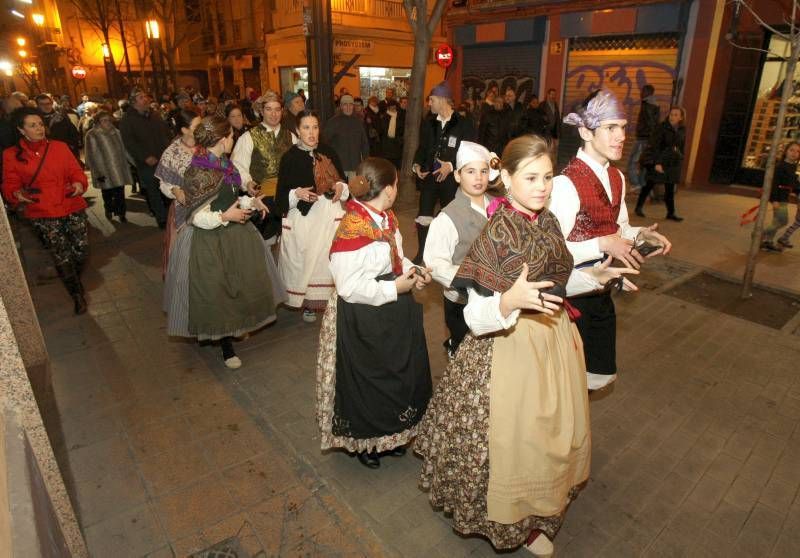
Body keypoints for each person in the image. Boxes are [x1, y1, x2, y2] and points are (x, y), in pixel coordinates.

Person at [416, 135, 638, 557]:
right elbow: (474, 317)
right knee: (515, 443)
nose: (542, 186)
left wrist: (595, 279)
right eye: (531, 177)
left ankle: (538, 515)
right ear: (508, 178)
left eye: (548, 177)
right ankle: (516, 525)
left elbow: (555, 283)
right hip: (508, 347)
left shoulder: (548, 221)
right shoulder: (498, 232)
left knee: (550, 437)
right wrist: (506, 300)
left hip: (553, 339)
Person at [316, 157, 433, 469]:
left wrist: (414, 269)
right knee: (368, 379)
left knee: (394, 374)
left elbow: (396, 257)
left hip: (390, 307)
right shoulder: (353, 228)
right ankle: (365, 444)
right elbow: (348, 287)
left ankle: (390, 436)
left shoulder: (385, 216)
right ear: (390, 189)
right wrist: (395, 288)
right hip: (362, 315)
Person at [552, 89, 672, 391]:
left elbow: (617, 227)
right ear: (585, 131)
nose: (621, 136)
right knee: (563, 385)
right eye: (610, 128)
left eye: (622, 126)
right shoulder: (565, 184)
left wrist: (639, 234)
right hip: (567, 300)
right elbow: (551, 253)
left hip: (602, 292)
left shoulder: (616, 177)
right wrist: (603, 245)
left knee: (597, 377)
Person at [169, 115, 281, 368]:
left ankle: (235, 326)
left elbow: (232, 197)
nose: (233, 139)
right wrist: (225, 216)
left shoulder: (225, 164)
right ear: (221, 140)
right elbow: (197, 217)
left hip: (235, 235)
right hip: (209, 240)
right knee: (217, 292)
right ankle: (226, 346)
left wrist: (252, 202)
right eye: (231, 135)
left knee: (237, 285)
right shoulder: (198, 171)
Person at [1, 107, 90, 314]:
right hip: (43, 210)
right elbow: (10, 182)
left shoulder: (59, 147)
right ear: (21, 130)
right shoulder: (11, 155)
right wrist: (16, 193)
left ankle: (73, 279)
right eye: (32, 125)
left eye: (40, 124)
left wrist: (78, 183)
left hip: (70, 204)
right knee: (61, 254)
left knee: (81, 251)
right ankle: (76, 294)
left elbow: (76, 171)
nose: (39, 128)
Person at [424, 141, 496, 358]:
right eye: (471, 171)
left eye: (484, 171)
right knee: (466, 356)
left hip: (496, 300)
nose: (478, 178)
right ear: (457, 175)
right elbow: (435, 264)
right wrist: (470, 279)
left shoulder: (499, 205)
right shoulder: (448, 216)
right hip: (461, 301)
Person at [277, 111, 347, 322]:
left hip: (329, 214)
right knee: (306, 261)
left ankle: (333, 304)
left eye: (315, 127)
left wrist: (339, 186)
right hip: (304, 217)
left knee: (328, 259)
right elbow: (281, 195)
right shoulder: (290, 157)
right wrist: (295, 193)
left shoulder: (329, 152)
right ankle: (309, 304)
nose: (311, 132)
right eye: (306, 128)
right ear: (298, 131)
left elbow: (343, 182)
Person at [412, 81, 476, 264]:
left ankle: (450, 255)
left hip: (452, 182)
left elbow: (470, 152)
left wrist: (451, 166)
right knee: (424, 215)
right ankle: (422, 253)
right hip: (430, 179)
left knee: (451, 218)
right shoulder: (429, 123)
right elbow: (422, 148)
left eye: (432, 100)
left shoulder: (463, 124)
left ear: (442, 100)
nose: (429, 103)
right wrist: (417, 165)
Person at [231, 91, 297, 244]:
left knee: (288, 243)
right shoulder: (248, 137)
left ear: (282, 111)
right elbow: (237, 166)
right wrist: (247, 183)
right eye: (269, 109)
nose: (273, 114)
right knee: (264, 243)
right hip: (261, 199)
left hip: (286, 198)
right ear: (261, 111)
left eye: (277, 109)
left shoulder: (291, 137)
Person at [156, 108, 202, 276]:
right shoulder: (171, 152)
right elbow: (164, 182)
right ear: (185, 130)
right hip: (184, 211)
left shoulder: (206, 147)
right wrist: (175, 190)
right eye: (198, 126)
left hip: (208, 206)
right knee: (186, 258)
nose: (202, 129)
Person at [119, 87, 173, 228]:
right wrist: (144, 157)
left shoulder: (154, 115)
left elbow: (166, 133)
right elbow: (129, 143)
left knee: (168, 188)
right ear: (134, 101)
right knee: (153, 190)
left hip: (164, 158)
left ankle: (171, 215)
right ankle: (161, 218)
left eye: (145, 96)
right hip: (147, 162)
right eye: (141, 97)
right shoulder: (128, 120)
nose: (146, 99)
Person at [635, 106, 686, 222]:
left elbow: (681, 147)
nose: (672, 117)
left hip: (672, 163)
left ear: (681, 118)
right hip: (660, 161)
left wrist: (681, 157)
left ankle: (671, 213)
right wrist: (657, 163)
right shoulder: (662, 128)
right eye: (671, 114)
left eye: (676, 115)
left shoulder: (682, 130)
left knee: (670, 188)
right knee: (649, 185)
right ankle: (638, 208)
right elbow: (655, 146)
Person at [84, 110, 133, 222]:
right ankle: (109, 209)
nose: (107, 123)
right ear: (98, 122)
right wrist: (93, 168)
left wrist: (131, 161)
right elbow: (90, 153)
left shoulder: (116, 132)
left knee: (120, 191)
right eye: (104, 121)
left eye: (108, 120)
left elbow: (123, 148)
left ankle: (121, 213)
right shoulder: (92, 134)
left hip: (118, 168)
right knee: (107, 192)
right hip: (102, 169)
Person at [763, 141, 800, 251]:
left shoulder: (792, 166)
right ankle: (760, 234)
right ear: (786, 151)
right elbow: (774, 184)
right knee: (783, 220)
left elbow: (793, 183)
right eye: (791, 150)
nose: (794, 153)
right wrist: (774, 200)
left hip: (784, 197)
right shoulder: (780, 166)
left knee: (776, 220)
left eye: (798, 151)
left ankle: (768, 241)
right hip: (779, 197)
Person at [322, 94, 369, 179]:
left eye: (350, 104)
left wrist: (365, 160)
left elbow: (364, 143)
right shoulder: (333, 122)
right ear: (340, 106)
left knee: (355, 190)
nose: (348, 107)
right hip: (339, 165)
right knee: (340, 190)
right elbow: (325, 142)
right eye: (345, 104)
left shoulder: (358, 122)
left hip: (355, 164)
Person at [628, 84, 660, 193]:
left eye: (642, 91)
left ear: (648, 92)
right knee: (643, 163)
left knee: (632, 161)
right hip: (646, 139)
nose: (640, 93)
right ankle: (642, 185)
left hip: (643, 139)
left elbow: (650, 123)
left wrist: (649, 140)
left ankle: (636, 184)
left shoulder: (648, 105)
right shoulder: (654, 104)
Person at [35, 93, 81, 161]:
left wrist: (72, 147)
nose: (46, 106)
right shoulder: (35, 120)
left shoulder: (61, 117)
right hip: (46, 154)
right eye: (42, 104)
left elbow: (73, 133)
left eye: (48, 103)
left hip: (64, 150)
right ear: (38, 105)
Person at [379, 99, 405, 170]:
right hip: (387, 145)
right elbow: (382, 130)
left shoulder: (400, 116)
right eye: (391, 106)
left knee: (396, 167)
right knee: (388, 167)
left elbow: (402, 129)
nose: (393, 108)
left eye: (394, 106)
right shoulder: (384, 117)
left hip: (397, 145)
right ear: (388, 107)